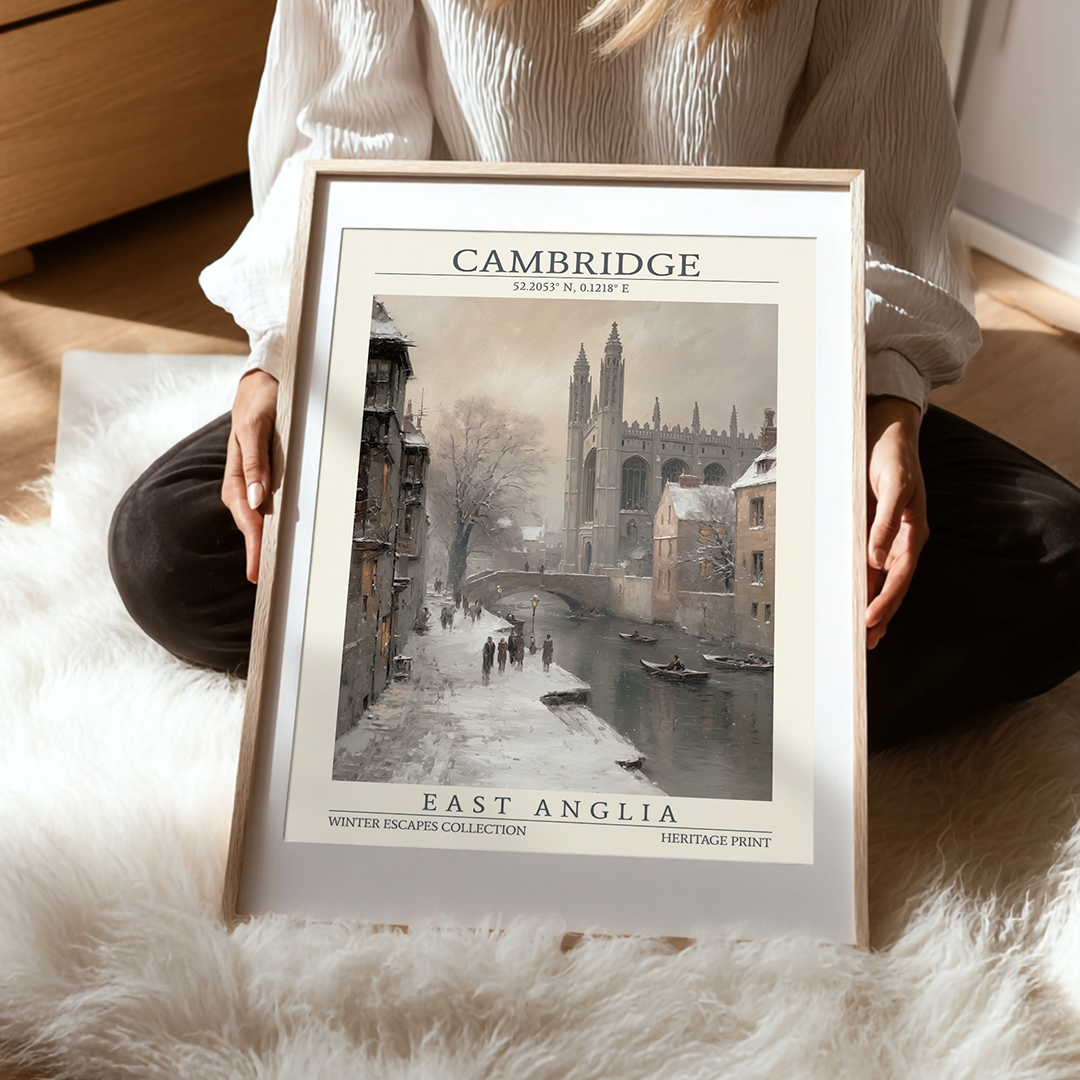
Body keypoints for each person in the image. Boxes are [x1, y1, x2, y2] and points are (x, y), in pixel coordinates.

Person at [107, 0, 1080, 751]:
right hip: (446, 349)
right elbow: (338, 140)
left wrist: (878, 399)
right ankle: (808, 697)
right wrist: (286, 354)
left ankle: (768, 730)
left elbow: (876, 168)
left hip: (784, 355)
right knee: (174, 544)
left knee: (1057, 560)